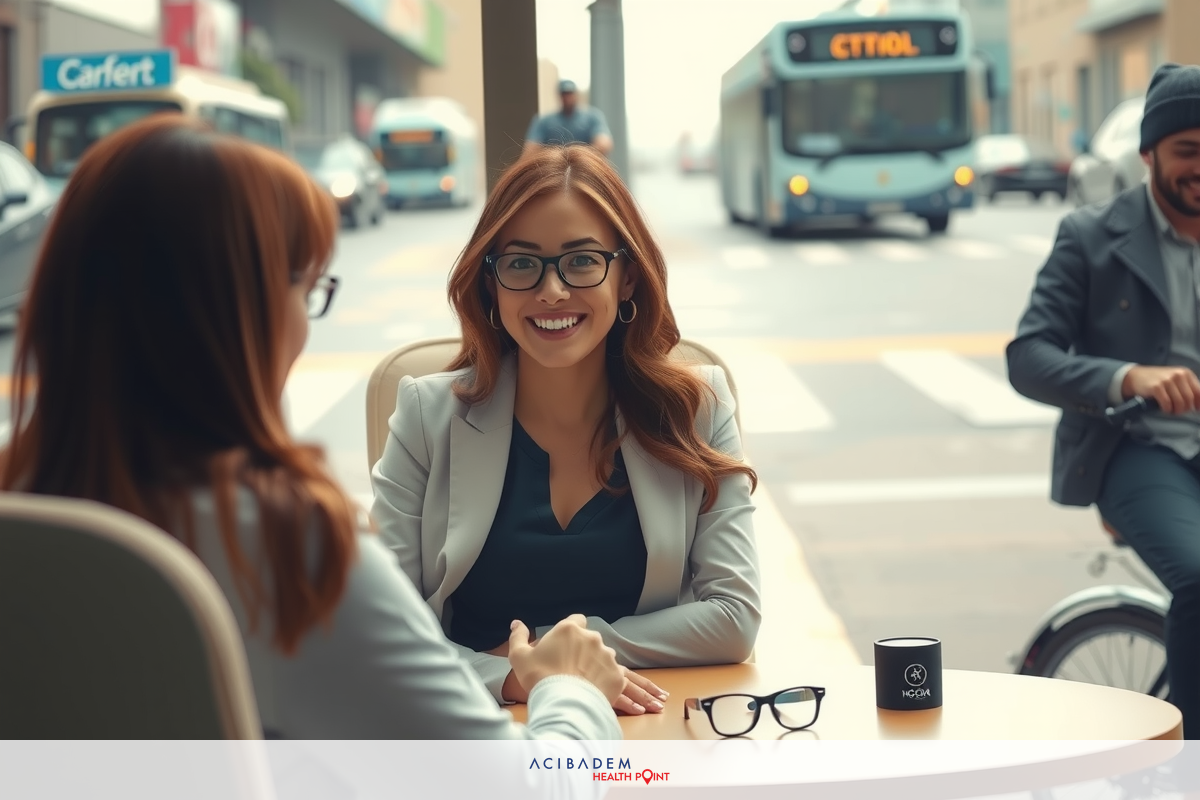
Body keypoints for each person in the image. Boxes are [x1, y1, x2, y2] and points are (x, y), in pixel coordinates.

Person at [0, 113, 627, 746]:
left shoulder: (22, 497)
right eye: (304, 289)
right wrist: (568, 687)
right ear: (238, 313)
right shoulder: (290, 558)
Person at [370, 143, 762, 716]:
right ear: (491, 283)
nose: (551, 291)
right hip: (481, 727)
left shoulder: (697, 407)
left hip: (642, 729)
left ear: (626, 277)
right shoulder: (426, 417)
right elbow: (388, 634)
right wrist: (511, 678)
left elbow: (733, 616)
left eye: (581, 261)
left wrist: (566, 654)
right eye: (522, 263)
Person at [1007, 62, 1200, 739]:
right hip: (1134, 448)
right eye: (1188, 151)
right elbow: (1027, 358)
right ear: (1148, 153)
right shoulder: (1091, 236)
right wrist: (1129, 377)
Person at [524, 80, 613, 156]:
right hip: (554, 168)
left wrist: (579, 157)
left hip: (585, 167)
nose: (567, 98)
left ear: (576, 95)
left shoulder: (593, 116)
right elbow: (530, 150)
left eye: (570, 94)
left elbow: (604, 144)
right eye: (564, 94)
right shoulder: (544, 121)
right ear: (559, 96)